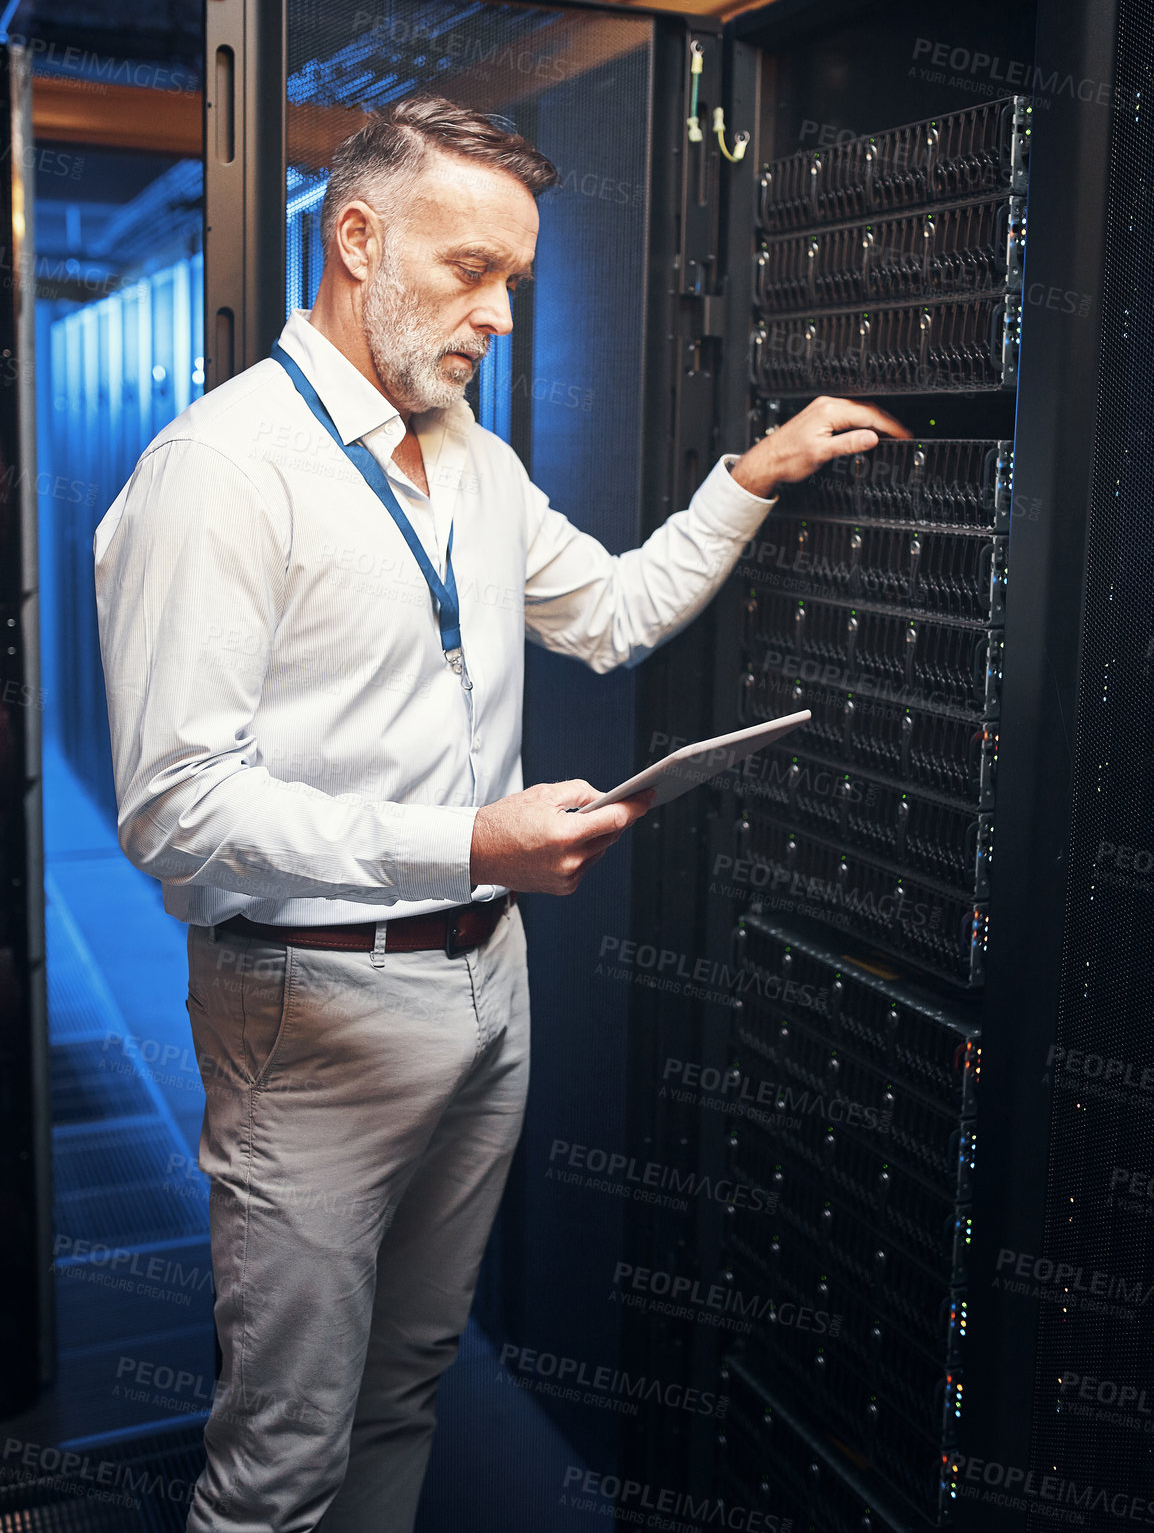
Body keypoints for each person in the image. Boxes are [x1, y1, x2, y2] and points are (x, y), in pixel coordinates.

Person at [93, 95, 908, 1533]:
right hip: (312, 1007)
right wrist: (472, 839)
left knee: (406, 1381)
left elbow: (606, 613)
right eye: (471, 272)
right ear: (355, 239)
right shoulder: (219, 475)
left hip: (486, 982)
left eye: (514, 282)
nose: (502, 318)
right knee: (280, 1456)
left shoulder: (467, 453)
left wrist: (749, 477)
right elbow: (177, 810)